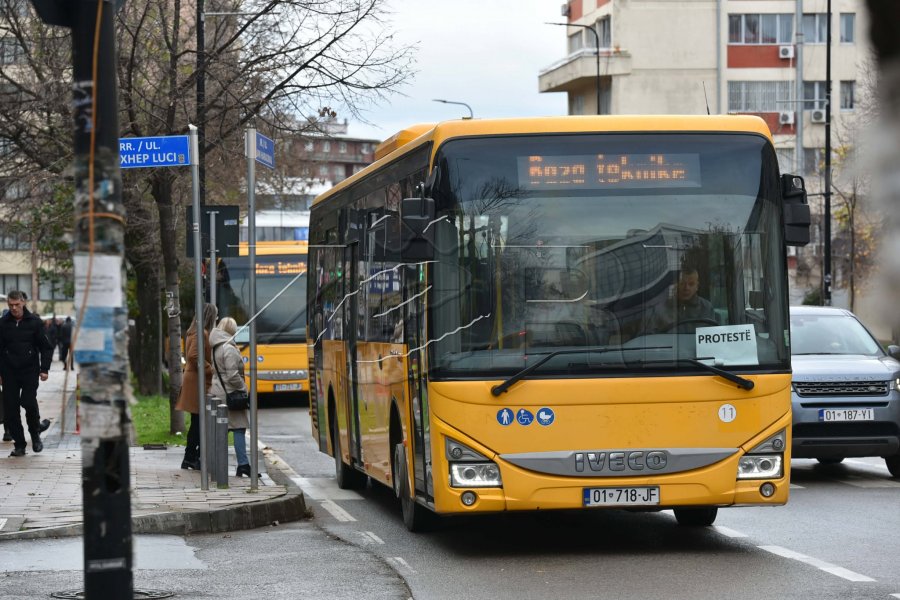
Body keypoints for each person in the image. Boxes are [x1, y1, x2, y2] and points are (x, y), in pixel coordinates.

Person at [0, 290, 54, 456]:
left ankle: (35, 433)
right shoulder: (2, 323)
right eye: (11, 305)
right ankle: (20, 444)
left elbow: (46, 347)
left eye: (17, 304)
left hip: (30, 370)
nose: (14, 308)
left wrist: (44, 369)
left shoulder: (35, 323)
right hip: (9, 372)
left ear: (23, 302)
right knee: (11, 409)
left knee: (28, 402)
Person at [209, 317, 255, 477]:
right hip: (229, 393)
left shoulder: (216, 346)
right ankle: (243, 465)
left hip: (217, 390)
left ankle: (216, 464)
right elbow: (232, 374)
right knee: (239, 428)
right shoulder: (228, 348)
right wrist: (243, 388)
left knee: (220, 429)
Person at [175, 303, 218, 470]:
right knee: (199, 422)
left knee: (197, 421)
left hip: (193, 380)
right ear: (210, 317)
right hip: (196, 382)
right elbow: (194, 355)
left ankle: (191, 456)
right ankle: (190, 457)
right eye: (215, 316)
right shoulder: (202, 333)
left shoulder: (194, 331)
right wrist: (210, 369)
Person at [645, 265, 717, 333]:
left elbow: (711, 337)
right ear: (675, 285)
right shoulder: (660, 309)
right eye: (682, 283)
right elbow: (649, 337)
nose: (686, 288)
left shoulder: (706, 307)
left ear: (697, 286)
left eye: (691, 284)